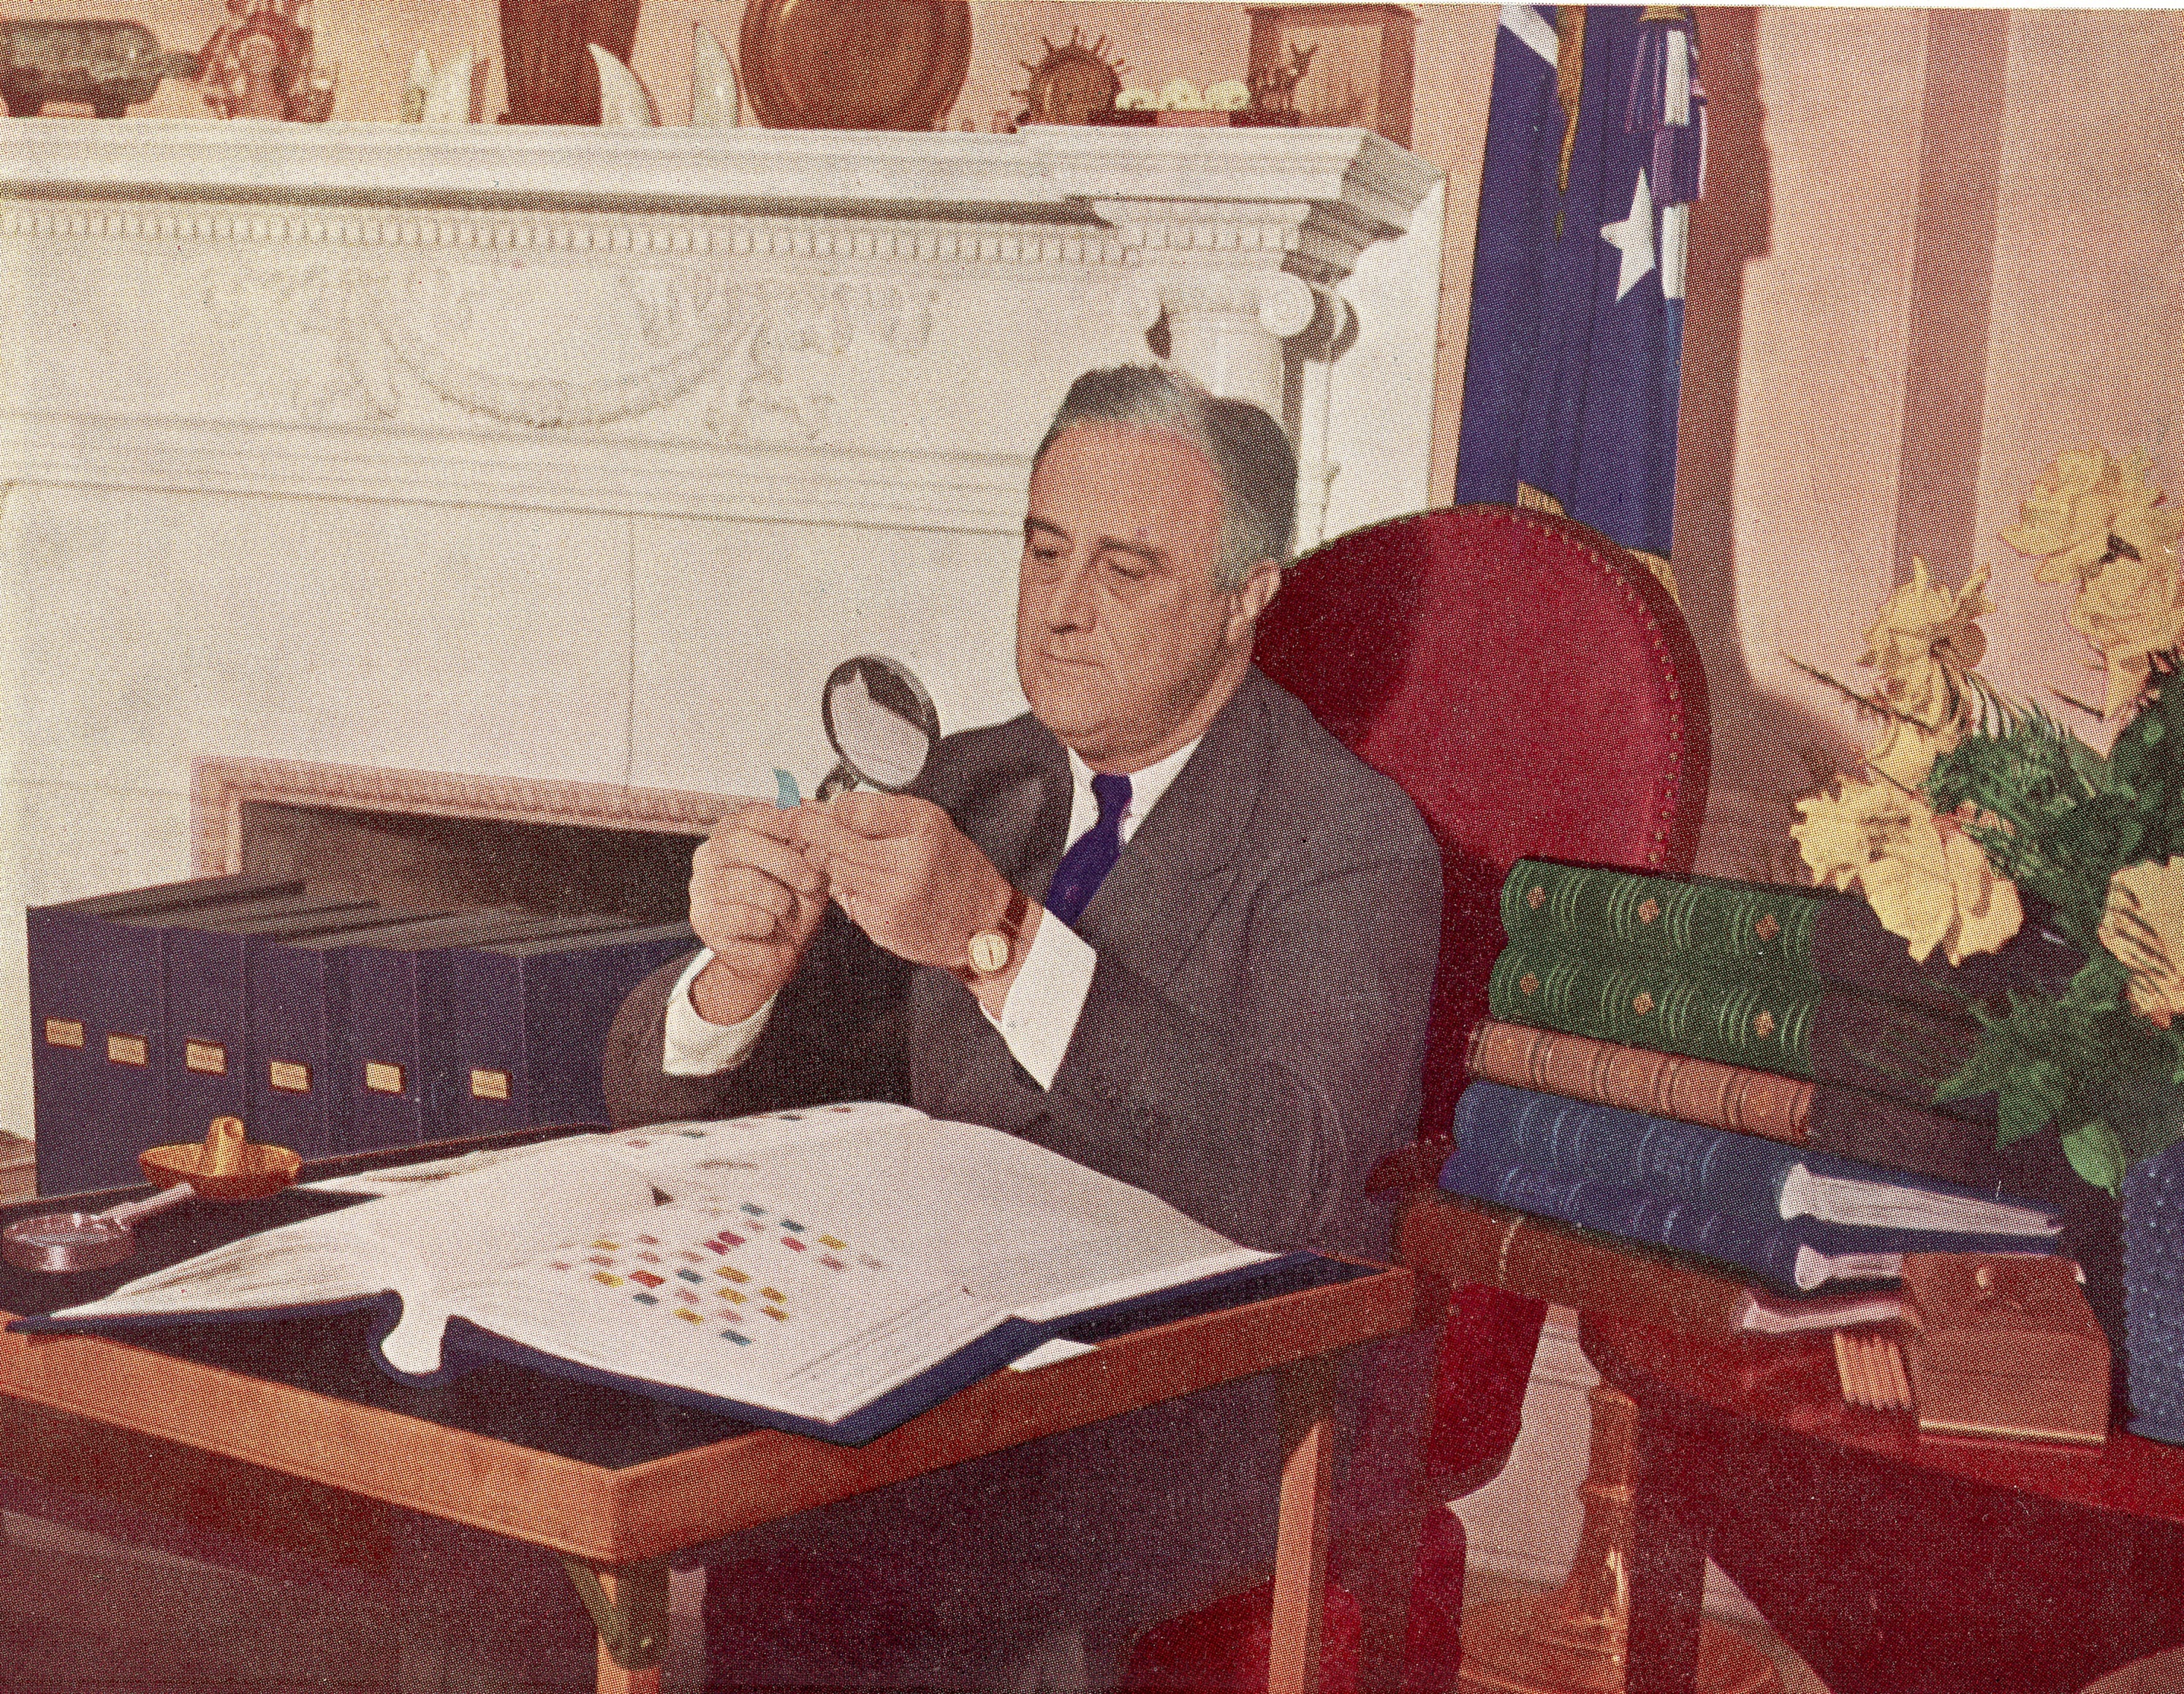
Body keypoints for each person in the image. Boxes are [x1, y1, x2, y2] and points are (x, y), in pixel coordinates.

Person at [604, 363, 1441, 1691]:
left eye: (1125, 569)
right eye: (1045, 550)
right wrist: (737, 980)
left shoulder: (1350, 840)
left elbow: (1293, 1173)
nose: (1060, 608)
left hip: (1175, 1423)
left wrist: (995, 935)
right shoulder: (974, 778)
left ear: (1246, 597)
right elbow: (684, 1102)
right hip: (922, 1382)